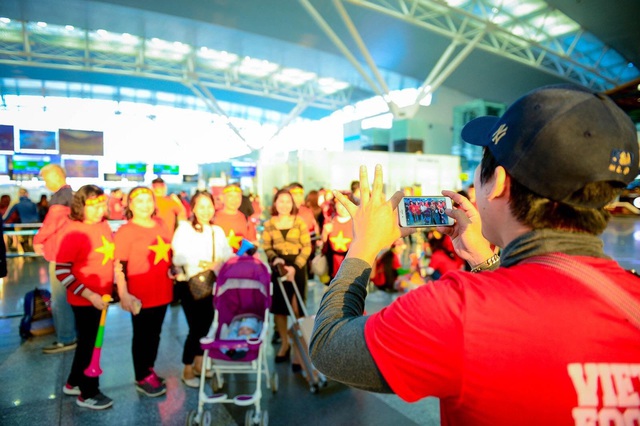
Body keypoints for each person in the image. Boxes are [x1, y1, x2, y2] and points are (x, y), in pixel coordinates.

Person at [309, 84, 640, 425]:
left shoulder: (456, 310)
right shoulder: (631, 296)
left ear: (497, 182)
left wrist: (363, 246)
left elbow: (329, 348)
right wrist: (484, 260)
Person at [54, 185, 114, 410]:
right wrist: (89, 295)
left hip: (102, 298)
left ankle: (73, 382)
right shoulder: (73, 231)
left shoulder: (104, 225)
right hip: (85, 300)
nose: (100, 209)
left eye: (102, 204)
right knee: (90, 346)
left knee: (86, 344)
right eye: (93, 206)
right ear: (81, 206)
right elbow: (62, 271)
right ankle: (88, 392)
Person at [114, 187, 173, 397]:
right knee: (142, 336)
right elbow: (119, 265)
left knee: (155, 334)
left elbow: (169, 252)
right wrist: (123, 293)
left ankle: (149, 369)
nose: (145, 205)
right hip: (140, 294)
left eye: (149, 200)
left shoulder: (161, 224)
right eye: (140, 201)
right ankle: (141, 376)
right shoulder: (125, 231)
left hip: (163, 289)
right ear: (130, 205)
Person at [171, 191, 233, 388]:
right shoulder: (184, 229)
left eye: (209, 206)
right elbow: (178, 257)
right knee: (196, 327)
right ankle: (187, 367)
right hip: (189, 285)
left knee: (206, 326)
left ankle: (199, 363)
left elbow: (227, 255)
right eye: (201, 206)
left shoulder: (217, 231)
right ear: (193, 208)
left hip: (211, 284)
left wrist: (218, 263)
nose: (206, 211)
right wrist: (203, 263)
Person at [262, 188, 311, 364]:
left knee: (297, 308)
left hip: (297, 266)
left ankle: (300, 344)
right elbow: (267, 247)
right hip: (278, 266)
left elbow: (307, 247)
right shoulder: (269, 224)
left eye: (288, 201)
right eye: (280, 201)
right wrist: (275, 259)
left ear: (293, 204)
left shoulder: (299, 222)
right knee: (280, 309)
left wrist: (295, 267)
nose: (284, 205)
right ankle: (284, 343)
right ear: (275, 203)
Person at [33, 164, 77, 354]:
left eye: (46, 179)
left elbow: (50, 225)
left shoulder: (60, 198)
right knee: (70, 296)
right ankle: (72, 333)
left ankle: (66, 338)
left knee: (60, 299)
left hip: (59, 255)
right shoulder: (72, 196)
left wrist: (37, 240)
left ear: (56, 177)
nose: (45, 183)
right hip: (71, 253)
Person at [213, 183, 258, 252]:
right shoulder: (213, 218)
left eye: (238, 196)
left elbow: (253, 243)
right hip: (219, 261)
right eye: (230, 196)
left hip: (239, 261)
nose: (234, 200)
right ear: (223, 198)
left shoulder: (246, 220)